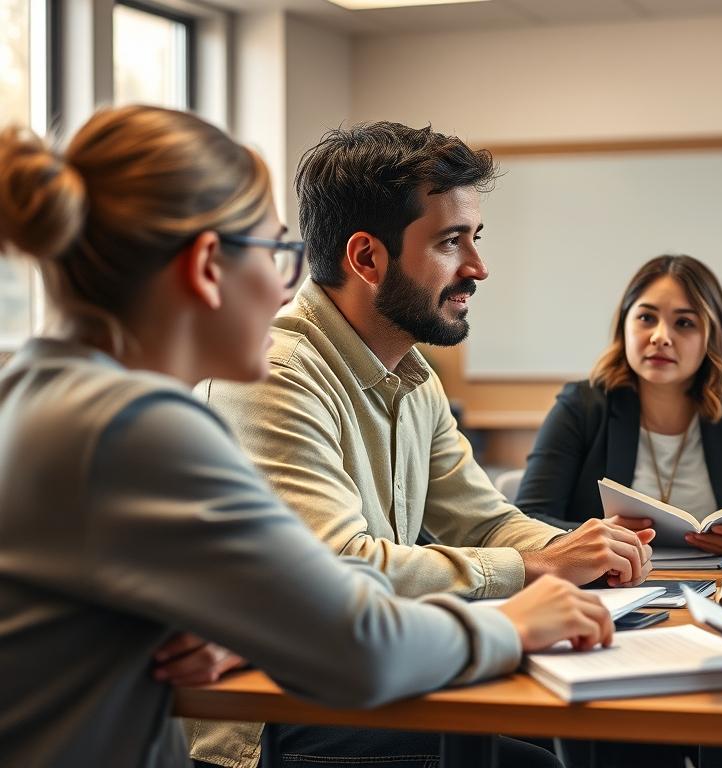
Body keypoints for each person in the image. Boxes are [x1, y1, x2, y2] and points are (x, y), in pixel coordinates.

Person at [0, 106, 610, 767]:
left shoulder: (39, 395)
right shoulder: (138, 427)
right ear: (209, 266)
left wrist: (243, 619)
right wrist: (512, 623)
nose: (289, 291)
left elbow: (296, 584)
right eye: (280, 254)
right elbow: (359, 645)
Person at [187, 121, 653, 767]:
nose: (478, 268)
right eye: (450, 242)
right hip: (274, 714)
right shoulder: (273, 374)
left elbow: (482, 520)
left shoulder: (412, 373)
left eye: (476, 239)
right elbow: (335, 571)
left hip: (366, 669)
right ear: (367, 258)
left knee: (556, 731)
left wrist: (574, 550)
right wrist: (536, 569)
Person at [517, 254, 722, 556]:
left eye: (684, 323)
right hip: (613, 587)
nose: (660, 337)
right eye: (646, 318)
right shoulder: (582, 405)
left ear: (712, 337)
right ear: (624, 325)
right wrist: (590, 537)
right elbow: (526, 520)